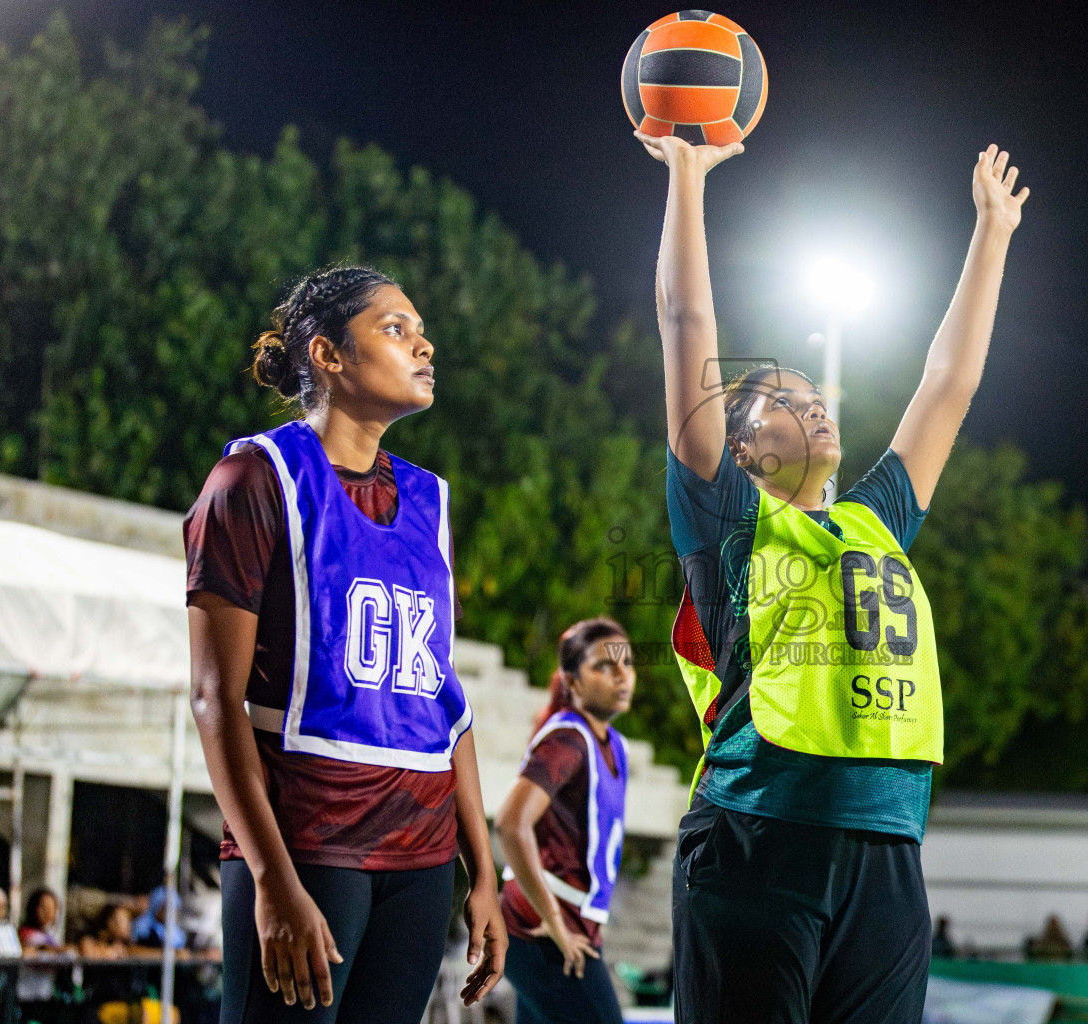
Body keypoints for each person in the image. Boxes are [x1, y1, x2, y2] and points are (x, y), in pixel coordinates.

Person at [638, 126, 1029, 1024]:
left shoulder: (874, 519)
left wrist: (991, 235)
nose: (815, 409)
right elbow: (685, 326)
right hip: (759, 839)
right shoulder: (729, 518)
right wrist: (689, 179)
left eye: (820, 400)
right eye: (786, 400)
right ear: (739, 445)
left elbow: (948, 384)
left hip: (889, 851)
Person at [186, 266, 506, 1023]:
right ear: (328, 355)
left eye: (420, 329)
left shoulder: (431, 499)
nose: (423, 344)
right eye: (396, 329)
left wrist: (484, 874)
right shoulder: (253, 480)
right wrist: (270, 877)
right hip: (308, 841)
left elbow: (441, 701)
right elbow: (213, 696)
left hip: (423, 853)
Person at [496, 618, 634, 1024]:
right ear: (572, 682)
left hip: (571, 928)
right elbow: (509, 822)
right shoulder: (568, 740)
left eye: (627, 662)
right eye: (603, 666)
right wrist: (554, 921)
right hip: (541, 930)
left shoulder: (614, 745)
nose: (621, 674)